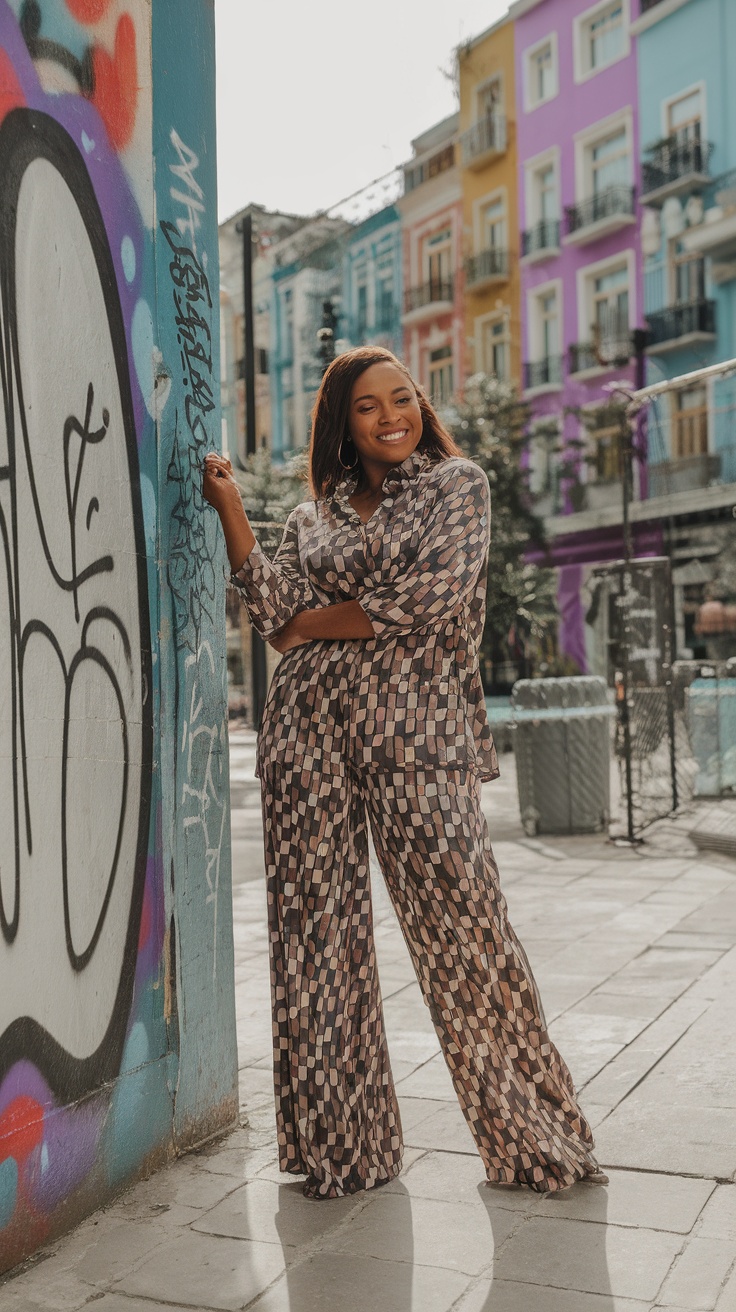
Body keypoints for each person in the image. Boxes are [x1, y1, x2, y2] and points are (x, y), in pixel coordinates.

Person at [202, 346, 607, 1201]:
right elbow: (275, 622)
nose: (393, 416)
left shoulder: (459, 486)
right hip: (305, 737)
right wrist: (232, 507)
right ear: (340, 424)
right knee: (318, 944)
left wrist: (312, 623)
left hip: (420, 744)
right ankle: (341, 1151)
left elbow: (430, 596)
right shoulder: (316, 517)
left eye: (404, 398)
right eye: (368, 407)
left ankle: (535, 1142)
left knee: (468, 939)